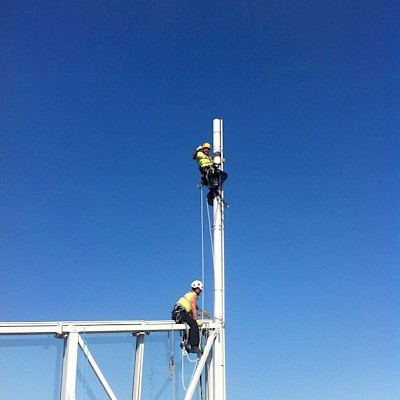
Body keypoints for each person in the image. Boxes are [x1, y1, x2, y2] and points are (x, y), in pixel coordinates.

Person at [171, 280, 205, 354]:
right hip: (180, 313)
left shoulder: (188, 295)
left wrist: (198, 314)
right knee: (193, 324)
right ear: (198, 289)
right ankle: (194, 346)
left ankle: (185, 343)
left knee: (190, 324)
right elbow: (193, 308)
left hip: (177, 313)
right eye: (200, 290)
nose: (200, 292)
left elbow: (190, 310)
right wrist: (196, 320)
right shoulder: (193, 295)